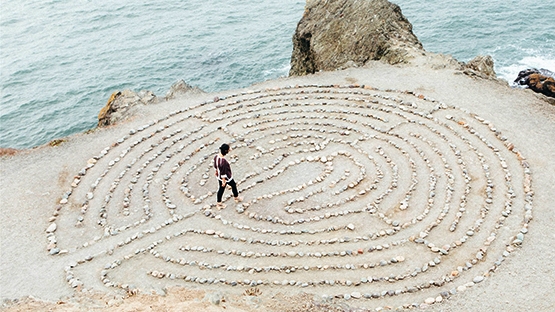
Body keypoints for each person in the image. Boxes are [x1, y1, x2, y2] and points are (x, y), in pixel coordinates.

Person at [214, 143, 242, 209]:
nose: (230, 150)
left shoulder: (216, 157)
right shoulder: (223, 161)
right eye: (229, 149)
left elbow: (216, 166)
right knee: (232, 185)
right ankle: (236, 197)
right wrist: (224, 181)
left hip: (219, 176)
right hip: (226, 177)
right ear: (226, 151)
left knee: (221, 189)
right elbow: (223, 171)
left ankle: (219, 202)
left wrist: (216, 171)